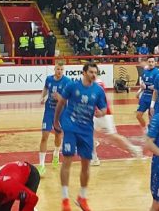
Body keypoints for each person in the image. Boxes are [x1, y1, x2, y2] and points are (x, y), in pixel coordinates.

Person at [54, 62, 108, 211]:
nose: (93, 75)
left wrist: (101, 113)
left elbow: (104, 108)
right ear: (84, 72)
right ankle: (65, 199)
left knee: (86, 164)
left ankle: (82, 197)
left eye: (95, 72)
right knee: (67, 160)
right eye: (91, 72)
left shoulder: (98, 90)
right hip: (70, 127)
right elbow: (61, 102)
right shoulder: (72, 86)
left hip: (86, 130)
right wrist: (56, 121)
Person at [90, 74, 142, 166]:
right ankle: (94, 158)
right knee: (90, 134)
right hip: (95, 114)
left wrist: (98, 110)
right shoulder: (92, 84)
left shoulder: (98, 84)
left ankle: (134, 149)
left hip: (103, 114)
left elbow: (99, 99)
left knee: (112, 136)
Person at [39, 61, 70, 171]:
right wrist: (42, 97)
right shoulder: (49, 79)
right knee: (44, 137)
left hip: (61, 113)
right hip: (49, 112)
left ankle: (56, 154)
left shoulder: (67, 82)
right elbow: (45, 88)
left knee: (58, 136)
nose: (59, 71)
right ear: (54, 69)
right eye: (58, 69)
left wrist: (60, 98)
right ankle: (41, 165)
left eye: (61, 69)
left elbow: (69, 100)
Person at [137, 57, 159, 132]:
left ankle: (152, 132)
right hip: (144, 97)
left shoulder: (157, 73)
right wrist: (139, 92)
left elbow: (156, 87)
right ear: (147, 62)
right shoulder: (145, 71)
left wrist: (146, 87)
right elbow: (143, 84)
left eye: (152, 62)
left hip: (153, 97)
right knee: (138, 115)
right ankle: (145, 129)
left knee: (151, 117)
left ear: (155, 63)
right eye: (149, 62)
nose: (151, 63)